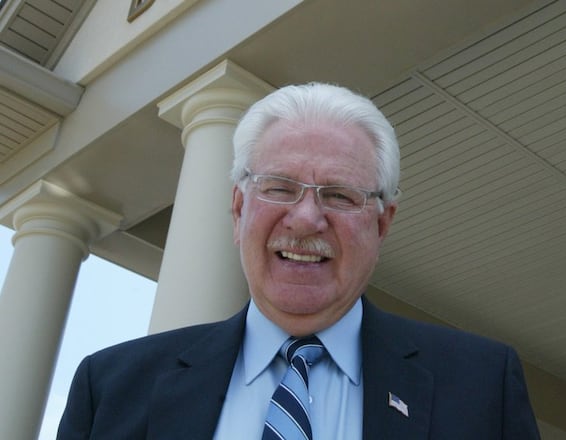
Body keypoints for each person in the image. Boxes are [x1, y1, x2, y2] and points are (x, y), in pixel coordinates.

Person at [57, 83, 541, 439]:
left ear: (382, 223)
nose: (306, 218)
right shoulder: (111, 388)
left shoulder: (482, 387)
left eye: (339, 194)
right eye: (279, 188)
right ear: (239, 208)